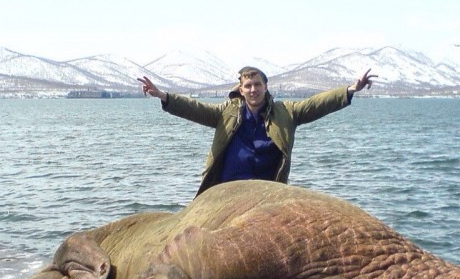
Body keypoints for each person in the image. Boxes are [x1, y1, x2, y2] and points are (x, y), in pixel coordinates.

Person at [138, 66, 376, 196]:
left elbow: (316, 104)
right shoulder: (226, 113)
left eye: (257, 85)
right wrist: (163, 96)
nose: (253, 90)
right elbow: (194, 108)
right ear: (241, 90)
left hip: (267, 192)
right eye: (248, 86)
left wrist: (351, 89)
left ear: (266, 87)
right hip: (226, 190)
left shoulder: (287, 112)